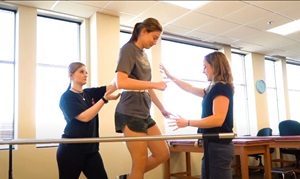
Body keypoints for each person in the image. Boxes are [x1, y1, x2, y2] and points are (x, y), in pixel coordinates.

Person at [160, 51, 234, 179]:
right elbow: (189, 88)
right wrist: (171, 77)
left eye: (205, 66)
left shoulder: (221, 87)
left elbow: (218, 119)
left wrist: (188, 122)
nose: (203, 71)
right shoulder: (212, 88)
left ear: (215, 66)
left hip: (219, 146)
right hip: (211, 144)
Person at [114, 17, 170, 179]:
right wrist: (154, 84)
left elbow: (146, 85)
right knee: (139, 162)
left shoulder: (143, 55)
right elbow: (121, 81)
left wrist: (161, 108)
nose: (155, 42)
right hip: (130, 111)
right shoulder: (128, 50)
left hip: (144, 112)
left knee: (162, 153)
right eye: (154, 38)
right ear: (143, 31)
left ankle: (129, 177)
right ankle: (134, 175)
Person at [57, 62, 120, 179]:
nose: (85, 75)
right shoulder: (66, 97)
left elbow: (112, 86)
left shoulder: (90, 93)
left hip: (91, 151)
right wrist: (103, 100)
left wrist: (122, 70)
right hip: (71, 151)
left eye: (86, 72)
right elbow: (85, 117)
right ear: (71, 75)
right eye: (81, 72)